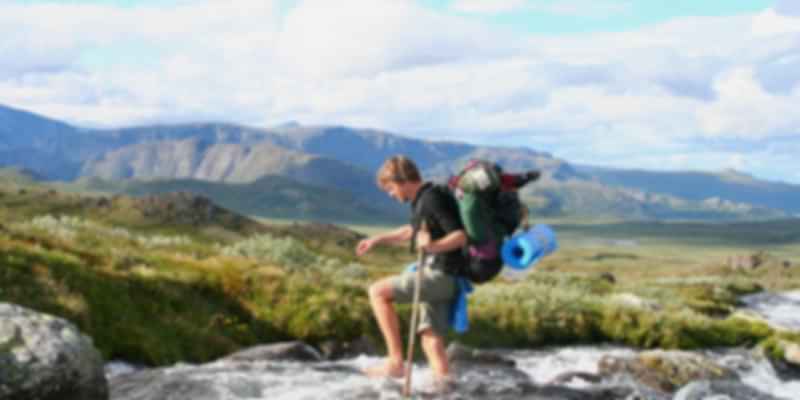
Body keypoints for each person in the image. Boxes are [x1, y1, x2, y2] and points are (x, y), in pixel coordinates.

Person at [355, 155, 467, 382]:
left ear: (401, 180)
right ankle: (444, 387)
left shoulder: (431, 199)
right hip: (444, 275)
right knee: (430, 338)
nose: (391, 194)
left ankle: (396, 363)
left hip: (440, 275)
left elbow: (460, 236)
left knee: (377, 292)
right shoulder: (424, 200)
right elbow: (411, 231)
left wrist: (433, 246)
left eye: (390, 188)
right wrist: (377, 239)